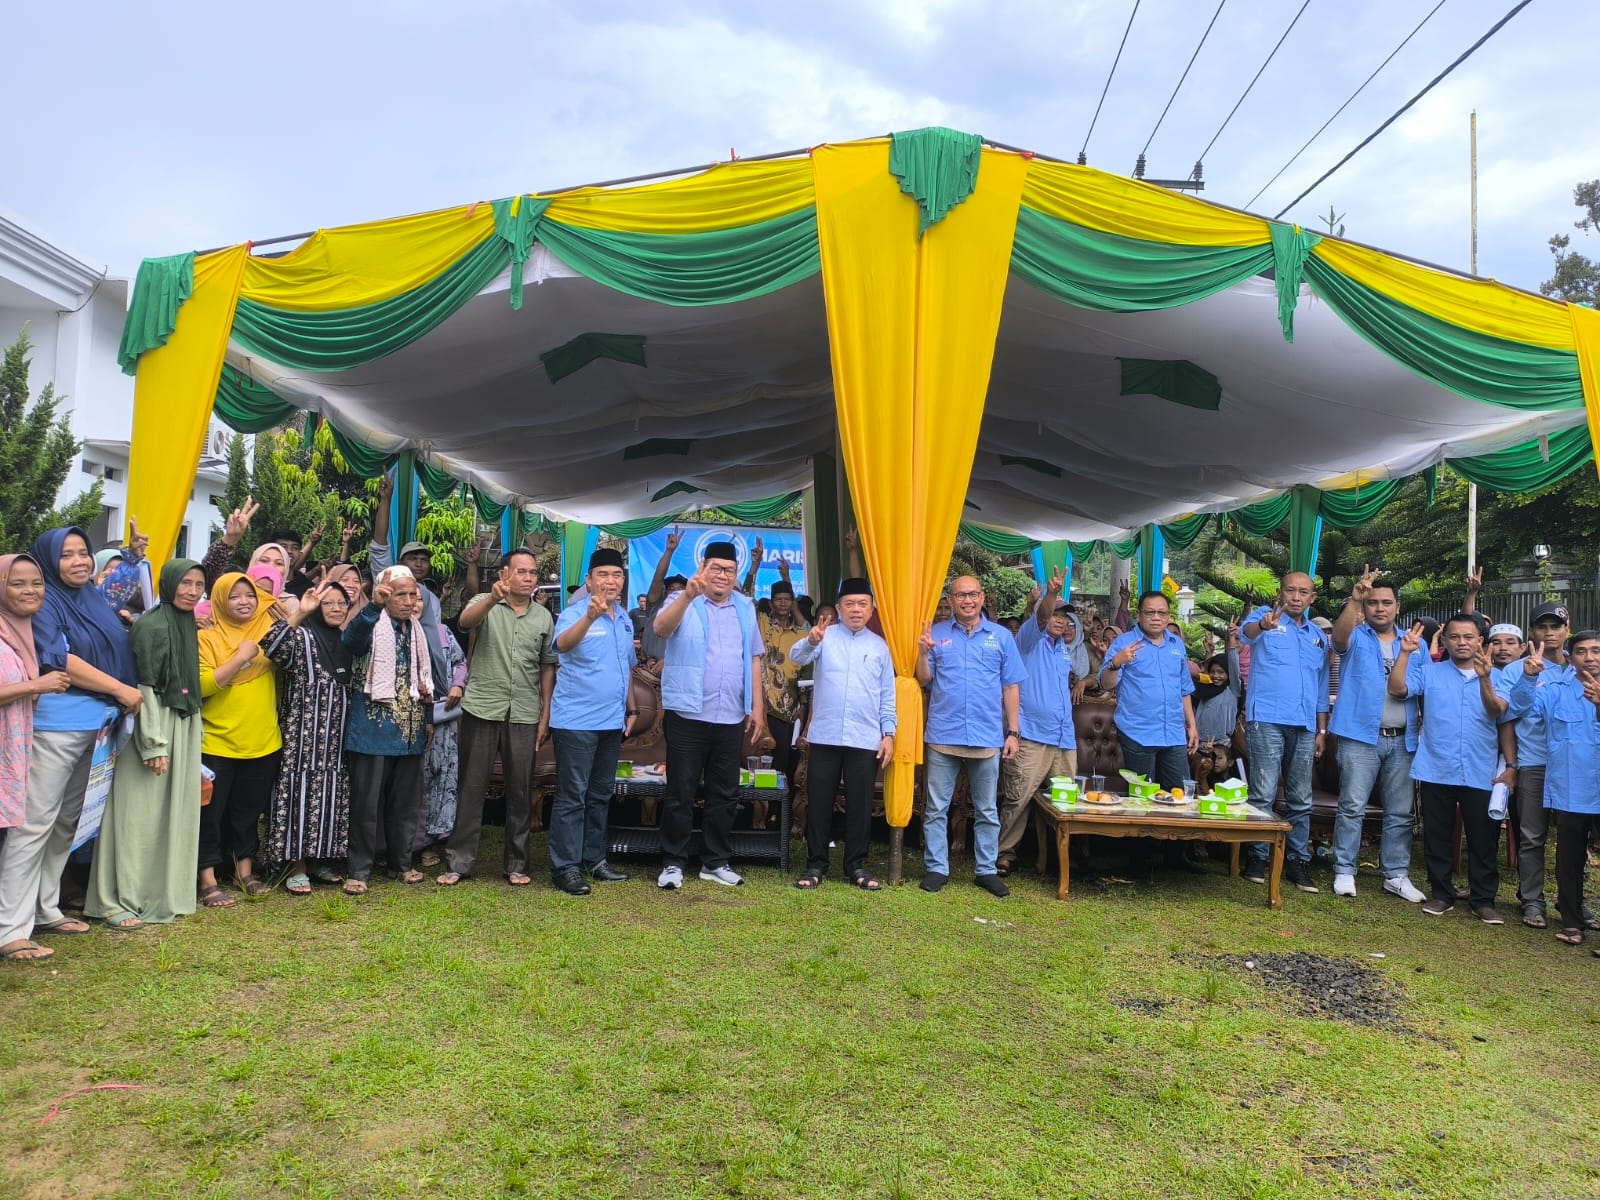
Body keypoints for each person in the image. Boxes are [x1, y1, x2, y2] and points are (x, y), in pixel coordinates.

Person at [0, 528, 140, 955]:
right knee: (35, 823)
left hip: (95, 725)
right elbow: (61, 660)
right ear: (47, 560)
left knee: (66, 822)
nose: (78, 561)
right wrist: (119, 689)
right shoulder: (43, 606)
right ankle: (10, 929)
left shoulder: (90, 598)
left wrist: (132, 557)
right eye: (66, 555)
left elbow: (118, 591)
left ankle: (46, 908)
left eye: (84, 553)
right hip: (56, 724)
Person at [84, 559, 208, 928]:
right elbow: (145, 688)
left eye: (199, 584)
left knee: (170, 815)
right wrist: (153, 743)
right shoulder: (152, 624)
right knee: (136, 817)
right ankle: (118, 899)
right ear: (169, 583)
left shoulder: (186, 623)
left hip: (183, 722)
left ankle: (161, 893)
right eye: (185, 583)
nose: (192, 591)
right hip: (154, 724)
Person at [652, 541, 767, 890]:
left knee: (724, 792)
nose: (722, 575)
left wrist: (758, 707)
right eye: (716, 568)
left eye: (729, 570)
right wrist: (687, 595)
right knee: (681, 791)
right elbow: (660, 630)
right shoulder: (682, 599)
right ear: (702, 566)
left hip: (731, 714)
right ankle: (673, 862)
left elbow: (755, 657)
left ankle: (715, 862)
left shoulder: (746, 607)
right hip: (688, 712)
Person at [438, 548, 555, 887]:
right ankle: (459, 863)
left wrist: (545, 713)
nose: (529, 578)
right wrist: (492, 599)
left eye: (532, 572)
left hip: (524, 711)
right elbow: (464, 622)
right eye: (522, 571)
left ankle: (516, 864)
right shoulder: (484, 601)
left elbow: (548, 666)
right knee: (472, 787)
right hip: (482, 707)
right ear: (505, 573)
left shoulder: (543, 617)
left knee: (520, 789)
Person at [1388, 614, 1510, 922]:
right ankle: (1442, 894)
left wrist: (1484, 678)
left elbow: (1498, 712)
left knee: (1483, 839)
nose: (1461, 642)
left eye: (1468, 637)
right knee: (1437, 835)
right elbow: (1398, 689)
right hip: (1436, 766)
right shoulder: (1430, 672)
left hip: (1480, 769)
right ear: (1445, 641)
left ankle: (1483, 900)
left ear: (1480, 641)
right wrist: (1403, 653)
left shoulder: (1499, 676)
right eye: (1454, 637)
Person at [916, 575, 1026, 897]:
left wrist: (1014, 732)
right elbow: (925, 681)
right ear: (950, 600)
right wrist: (923, 653)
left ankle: (986, 870)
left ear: (982, 598)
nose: (967, 600)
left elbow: (1011, 686)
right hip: (943, 733)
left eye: (973, 594)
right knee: (936, 807)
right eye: (960, 595)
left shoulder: (1002, 637)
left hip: (987, 735)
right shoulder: (935, 635)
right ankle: (937, 868)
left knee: (987, 808)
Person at [1327, 569, 1426, 904]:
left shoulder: (1416, 644)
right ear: (1364, 608)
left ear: (1398, 607)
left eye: (1386, 603)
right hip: (1359, 736)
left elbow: (1421, 688)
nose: (1379, 608)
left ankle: (1396, 875)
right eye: (1372, 603)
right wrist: (1354, 597)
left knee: (1400, 810)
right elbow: (1337, 640)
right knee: (1352, 805)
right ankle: (1345, 869)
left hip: (1403, 738)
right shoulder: (1355, 635)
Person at [790, 578, 895, 890]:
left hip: (864, 738)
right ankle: (816, 865)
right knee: (819, 802)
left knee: (860, 805)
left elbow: (887, 695)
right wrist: (811, 639)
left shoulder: (879, 647)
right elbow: (797, 657)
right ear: (838, 608)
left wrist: (888, 732)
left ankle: (856, 867)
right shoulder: (824, 637)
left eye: (862, 604)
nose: (856, 609)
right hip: (825, 735)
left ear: (871, 608)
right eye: (849, 604)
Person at [547, 548, 636, 896]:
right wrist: (589, 617)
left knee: (600, 794)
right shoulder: (572, 614)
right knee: (573, 796)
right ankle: (565, 867)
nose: (610, 581)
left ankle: (594, 859)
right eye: (603, 575)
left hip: (612, 722)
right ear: (589, 580)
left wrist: (631, 710)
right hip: (576, 721)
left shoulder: (625, 619)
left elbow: (626, 667)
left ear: (622, 581)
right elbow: (563, 647)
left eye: (616, 575)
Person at [342, 566, 434, 893]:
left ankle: (401, 865)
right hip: (371, 729)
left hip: (410, 729)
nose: (409, 601)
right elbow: (351, 643)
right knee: (366, 804)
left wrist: (428, 717)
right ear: (385, 595)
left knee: (405, 804)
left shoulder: (417, 631)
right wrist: (373, 607)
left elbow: (424, 680)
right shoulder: (371, 622)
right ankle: (359, 870)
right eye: (401, 594)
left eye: (413, 595)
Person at [261, 576, 355, 895]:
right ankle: (294, 864)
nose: (336, 608)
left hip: (336, 739)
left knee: (330, 795)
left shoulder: (346, 642)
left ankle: (318, 860)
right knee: (298, 795)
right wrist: (301, 611)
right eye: (328, 602)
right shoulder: (301, 637)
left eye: (342, 602)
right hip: (301, 738)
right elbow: (271, 646)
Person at [1238, 573, 1330, 894]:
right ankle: (1257, 858)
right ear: (1280, 593)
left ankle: (1297, 860)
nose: (1296, 596)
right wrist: (1263, 625)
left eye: (1303, 592)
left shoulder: (1319, 636)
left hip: (1305, 724)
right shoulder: (1264, 618)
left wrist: (1321, 729)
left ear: (1312, 598)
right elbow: (1246, 635)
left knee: (1300, 797)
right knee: (1262, 793)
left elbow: (1321, 687)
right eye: (1290, 590)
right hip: (1267, 718)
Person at [0, 554, 72, 961]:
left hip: (13, 750)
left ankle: (12, 929)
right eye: (17, 583)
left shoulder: (21, 631)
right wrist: (36, 684)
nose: (30, 591)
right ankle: (9, 934)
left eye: (36, 583)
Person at [1507, 632, 1600, 947]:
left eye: (1596, 651)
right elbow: (1522, 709)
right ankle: (1572, 922)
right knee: (1569, 857)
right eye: (1582, 652)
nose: (1589, 657)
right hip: (1574, 785)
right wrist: (1528, 678)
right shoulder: (1556, 688)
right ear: (1570, 658)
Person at [196, 572, 282, 906]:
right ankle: (207, 879)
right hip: (216, 742)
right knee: (210, 815)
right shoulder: (206, 637)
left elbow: (287, 613)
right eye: (234, 596)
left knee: (248, 813)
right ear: (219, 600)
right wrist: (240, 657)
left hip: (263, 741)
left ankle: (244, 870)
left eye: (250, 595)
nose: (244, 601)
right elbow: (203, 685)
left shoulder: (267, 630)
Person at [1496, 602, 1574, 929]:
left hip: (1574, 766)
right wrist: (1512, 764)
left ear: (1567, 630)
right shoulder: (1516, 669)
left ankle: (1573, 904)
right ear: (1532, 632)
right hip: (1534, 763)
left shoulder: (1581, 668)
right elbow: (1506, 718)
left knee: (1574, 839)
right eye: (1542, 627)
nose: (1549, 633)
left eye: (1555, 626)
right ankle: (1532, 900)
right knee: (1531, 836)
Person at [996, 570, 1078, 878]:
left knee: (1065, 801)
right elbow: (1042, 616)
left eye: (1065, 616)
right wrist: (1050, 596)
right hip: (1030, 735)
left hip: (1063, 738)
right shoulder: (1028, 639)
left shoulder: (1063, 651)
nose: (1059, 619)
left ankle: (1062, 857)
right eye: (1055, 613)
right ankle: (1004, 853)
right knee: (1018, 798)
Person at [1098, 590, 1198, 791]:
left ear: (1169, 616)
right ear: (1139, 614)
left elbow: (1184, 689)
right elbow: (1106, 684)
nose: (1156, 618)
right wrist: (1116, 663)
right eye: (1150, 612)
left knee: (1179, 798)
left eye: (1162, 613)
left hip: (1174, 734)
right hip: (1138, 733)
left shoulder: (1176, 644)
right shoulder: (1124, 643)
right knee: (1142, 799)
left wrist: (1192, 725)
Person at [370, 474, 450, 699]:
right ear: (401, 562)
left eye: (423, 559)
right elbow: (379, 546)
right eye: (412, 558)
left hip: (425, 679)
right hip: (391, 670)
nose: (418, 563)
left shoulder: (430, 598)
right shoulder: (388, 582)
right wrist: (385, 500)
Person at [755, 567, 810, 800]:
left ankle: (779, 814)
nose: (783, 603)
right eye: (778, 599)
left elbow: (806, 672)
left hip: (788, 710)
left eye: (787, 599)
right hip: (761, 705)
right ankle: (758, 810)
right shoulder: (762, 624)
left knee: (783, 763)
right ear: (772, 602)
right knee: (759, 759)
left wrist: (804, 705)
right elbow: (747, 596)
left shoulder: (801, 635)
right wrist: (754, 569)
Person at [417, 623, 468, 868]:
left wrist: (458, 683)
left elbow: (460, 661)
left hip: (443, 715)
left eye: (419, 598)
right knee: (410, 781)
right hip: (408, 714)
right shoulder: (390, 628)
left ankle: (429, 843)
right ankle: (402, 844)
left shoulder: (441, 631)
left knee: (439, 777)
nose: (413, 603)